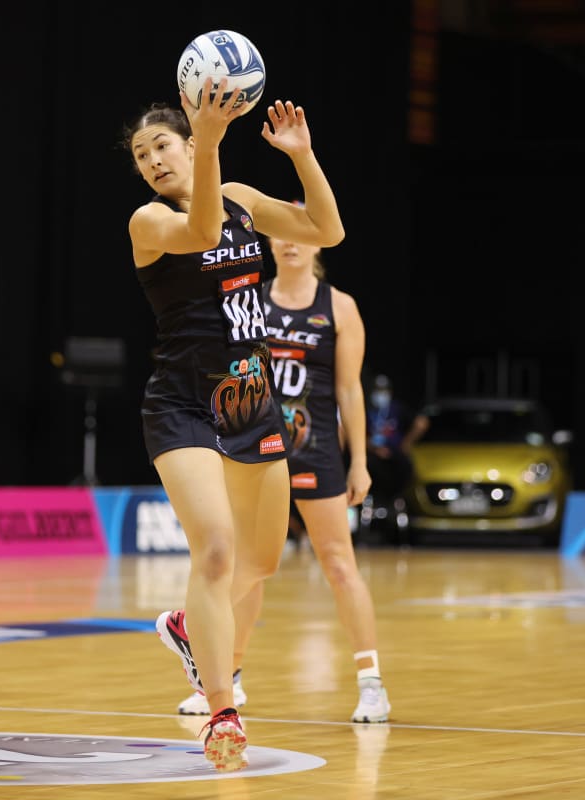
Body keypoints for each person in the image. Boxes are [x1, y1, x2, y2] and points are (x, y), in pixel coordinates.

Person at [124, 79, 344, 771]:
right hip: (181, 403)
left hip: (249, 401)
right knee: (215, 551)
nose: (153, 160)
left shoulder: (245, 199)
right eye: (140, 154)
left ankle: (190, 627)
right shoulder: (149, 223)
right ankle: (221, 710)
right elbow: (199, 229)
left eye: (162, 144)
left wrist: (303, 157)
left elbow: (326, 230)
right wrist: (213, 142)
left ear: (188, 144)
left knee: (263, 563)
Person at [174, 225, 391, 723]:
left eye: (300, 235)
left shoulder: (340, 306)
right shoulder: (252, 300)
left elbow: (350, 390)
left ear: (316, 243)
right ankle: (228, 679)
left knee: (338, 563)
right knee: (248, 565)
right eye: (281, 236)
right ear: (271, 244)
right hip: (254, 444)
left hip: (314, 449)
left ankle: (371, 682)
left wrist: (359, 461)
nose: (290, 243)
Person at [365, 374, 427, 501]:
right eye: (377, 390)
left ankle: (400, 500)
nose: (380, 394)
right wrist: (373, 448)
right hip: (373, 454)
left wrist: (406, 443)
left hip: (396, 453)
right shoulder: (367, 409)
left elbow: (421, 423)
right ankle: (373, 501)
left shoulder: (397, 408)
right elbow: (356, 435)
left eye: (383, 390)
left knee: (406, 468)